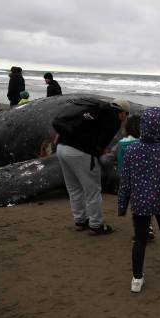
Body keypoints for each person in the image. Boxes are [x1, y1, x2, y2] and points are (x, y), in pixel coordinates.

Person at [118, 107, 160, 293]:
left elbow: (125, 180)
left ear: (143, 125)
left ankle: (137, 279)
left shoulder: (131, 150)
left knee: (139, 239)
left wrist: (122, 205)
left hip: (139, 202)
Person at [52, 97, 130, 235]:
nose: (125, 118)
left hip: (62, 148)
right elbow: (101, 142)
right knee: (92, 190)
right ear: (122, 112)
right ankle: (95, 225)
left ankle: (80, 221)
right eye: (126, 115)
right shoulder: (113, 118)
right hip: (80, 153)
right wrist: (100, 155)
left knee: (74, 187)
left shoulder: (97, 110)